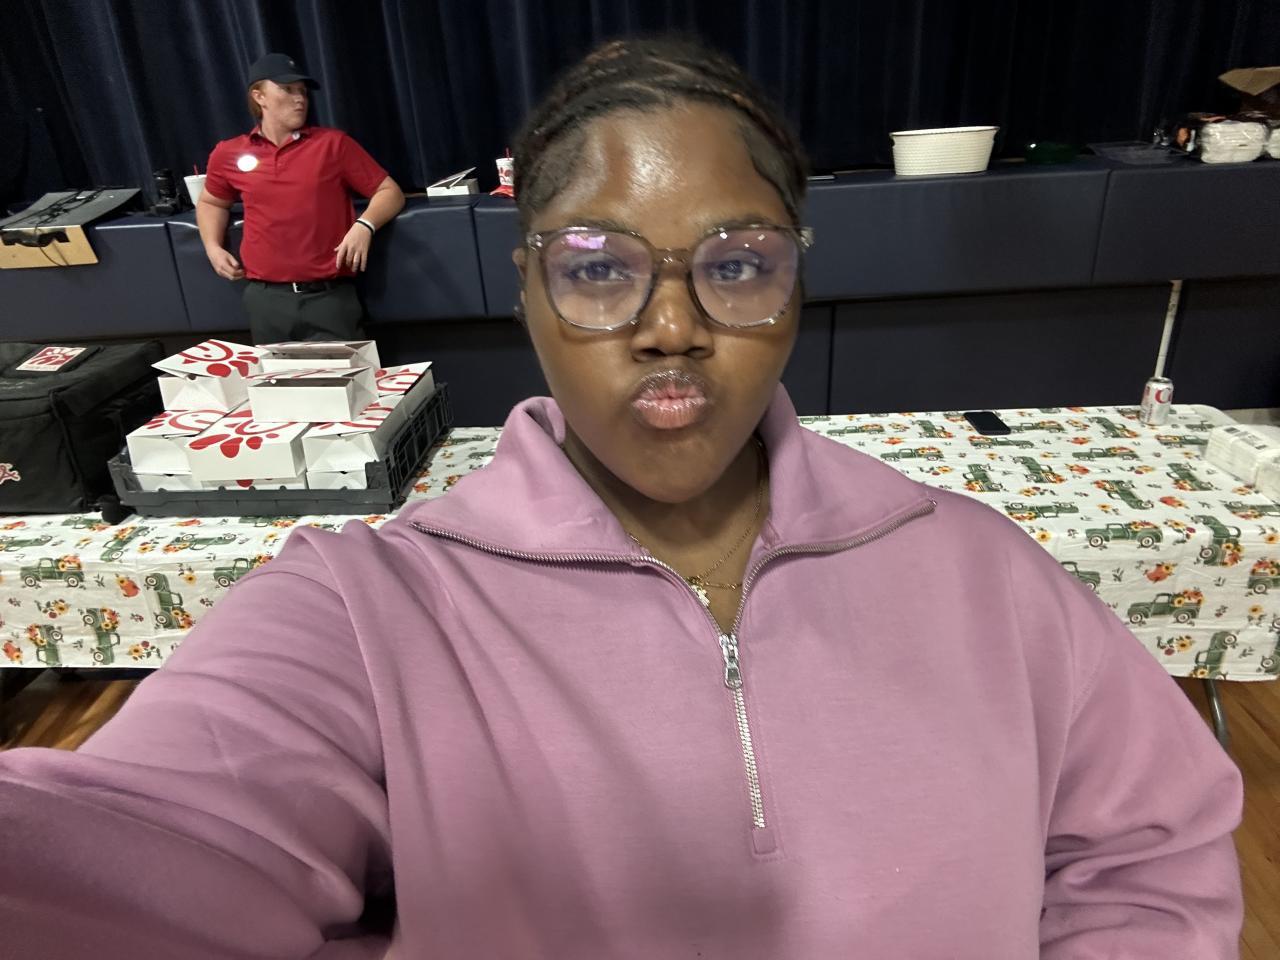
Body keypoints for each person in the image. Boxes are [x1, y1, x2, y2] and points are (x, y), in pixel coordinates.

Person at [0, 37, 1243, 959]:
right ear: (525, 290)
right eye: (598, 268)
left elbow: (1152, 850)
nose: (670, 326)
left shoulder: (981, 573)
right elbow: (137, 861)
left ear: (797, 284)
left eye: (736, 265)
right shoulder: (366, 614)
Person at [196, 52, 405, 344]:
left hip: (328, 298)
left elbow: (389, 192)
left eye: (303, 92)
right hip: (266, 300)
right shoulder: (228, 153)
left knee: (347, 373)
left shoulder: (333, 144)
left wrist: (364, 225)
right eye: (287, 89)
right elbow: (212, 201)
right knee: (277, 374)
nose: (299, 99)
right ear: (259, 96)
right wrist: (212, 247)